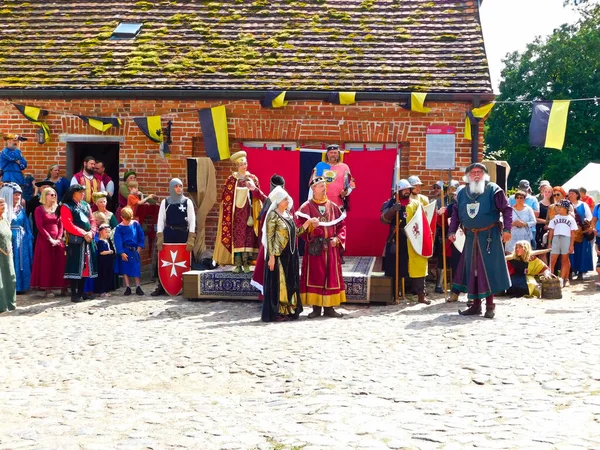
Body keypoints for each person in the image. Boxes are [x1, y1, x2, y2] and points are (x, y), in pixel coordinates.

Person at [447, 163, 512, 319]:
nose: (476, 174)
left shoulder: (493, 190)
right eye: (473, 172)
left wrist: (507, 229)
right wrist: (452, 230)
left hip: (489, 237)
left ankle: (490, 306)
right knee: (473, 271)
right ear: (468, 176)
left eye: (479, 172)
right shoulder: (462, 192)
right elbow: (456, 214)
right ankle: (475, 306)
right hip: (470, 237)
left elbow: (507, 209)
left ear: (485, 175)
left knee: (488, 271)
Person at [296, 176, 346, 318]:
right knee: (315, 276)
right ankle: (316, 308)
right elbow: (299, 226)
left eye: (325, 185)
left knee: (330, 276)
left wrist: (338, 239)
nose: (324, 188)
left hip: (330, 248)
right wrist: (310, 227)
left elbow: (342, 225)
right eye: (320, 186)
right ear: (313, 188)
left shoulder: (333, 206)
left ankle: (329, 308)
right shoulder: (306, 207)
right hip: (315, 249)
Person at [213, 151, 266, 272]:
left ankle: (247, 264)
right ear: (237, 166)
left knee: (248, 237)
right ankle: (237, 264)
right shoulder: (231, 180)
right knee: (237, 238)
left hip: (249, 214)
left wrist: (252, 189)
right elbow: (226, 198)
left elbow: (258, 196)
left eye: (245, 164)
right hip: (236, 214)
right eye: (242, 164)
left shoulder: (252, 178)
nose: (244, 166)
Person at [381, 179, 431, 304]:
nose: (407, 191)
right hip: (397, 239)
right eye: (404, 189)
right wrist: (393, 210)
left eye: (408, 189)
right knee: (395, 267)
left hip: (413, 239)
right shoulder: (390, 203)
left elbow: (422, 221)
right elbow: (383, 220)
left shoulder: (416, 204)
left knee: (418, 265)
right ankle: (395, 295)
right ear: (398, 191)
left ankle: (421, 295)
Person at [261, 186, 304, 322]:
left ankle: (290, 309)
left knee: (291, 283)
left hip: (290, 255)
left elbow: (296, 232)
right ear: (278, 201)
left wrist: (307, 224)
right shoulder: (273, 215)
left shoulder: (289, 215)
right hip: (278, 255)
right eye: (285, 199)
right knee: (281, 284)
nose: (288, 201)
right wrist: (272, 257)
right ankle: (278, 310)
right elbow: (270, 237)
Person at [151, 178, 196, 296]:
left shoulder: (187, 202)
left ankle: (187, 286)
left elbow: (192, 221)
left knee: (186, 260)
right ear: (171, 188)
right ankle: (162, 286)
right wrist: (160, 237)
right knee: (165, 260)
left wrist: (191, 238)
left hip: (183, 234)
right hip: (169, 234)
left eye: (180, 186)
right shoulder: (165, 202)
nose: (178, 188)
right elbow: (160, 220)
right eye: (176, 186)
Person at [60, 184, 98, 303]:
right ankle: (74, 294)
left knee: (85, 267)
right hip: (76, 241)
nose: (83, 194)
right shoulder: (66, 207)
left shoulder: (86, 205)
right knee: (75, 267)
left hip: (88, 240)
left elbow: (92, 220)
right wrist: (83, 233)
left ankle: (82, 292)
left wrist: (91, 232)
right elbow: (68, 225)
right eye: (80, 192)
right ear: (73, 193)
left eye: (83, 192)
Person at [30, 187, 68, 298]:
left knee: (61, 263)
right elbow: (39, 226)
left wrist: (59, 238)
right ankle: (48, 289)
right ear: (45, 196)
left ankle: (63, 287)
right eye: (51, 195)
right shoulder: (39, 209)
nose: (54, 196)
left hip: (58, 239)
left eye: (55, 195)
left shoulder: (58, 209)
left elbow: (61, 225)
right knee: (47, 264)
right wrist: (50, 239)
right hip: (45, 240)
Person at [252, 174, 286, 296]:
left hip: (278, 244)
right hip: (268, 242)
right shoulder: (270, 202)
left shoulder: (284, 203)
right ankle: (267, 298)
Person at [1, 182, 33, 293]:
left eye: (19, 194)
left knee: (22, 262)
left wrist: (29, 237)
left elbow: (26, 224)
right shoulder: (4, 210)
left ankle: (21, 286)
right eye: (15, 194)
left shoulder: (21, 209)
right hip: (10, 239)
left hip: (22, 239)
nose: (18, 197)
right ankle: (10, 286)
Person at [312, 144, 355, 210]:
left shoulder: (344, 167)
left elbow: (350, 185)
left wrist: (346, 192)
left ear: (338, 154)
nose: (333, 155)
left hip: (338, 204)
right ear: (327, 154)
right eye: (331, 153)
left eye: (335, 153)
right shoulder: (320, 166)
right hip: (321, 203)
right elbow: (313, 184)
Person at [114, 207, 145, 296]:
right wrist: (121, 252)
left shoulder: (136, 224)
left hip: (134, 250)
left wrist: (139, 248)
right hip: (125, 250)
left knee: (136, 268)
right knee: (125, 269)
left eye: (128, 220)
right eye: (125, 219)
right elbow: (118, 240)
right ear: (121, 217)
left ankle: (138, 286)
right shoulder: (119, 227)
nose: (127, 222)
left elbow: (141, 236)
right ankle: (128, 287)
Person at [548, 199, 577, 287]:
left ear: (566, 208)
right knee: (553, 259)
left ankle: (565, 279)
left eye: (561, 207)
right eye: (558, 207)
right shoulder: (554, 218)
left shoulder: (571, 219)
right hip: (556, 238)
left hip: (566, 238)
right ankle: (550, 279)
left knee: (565, 259)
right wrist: (549, 242)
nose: (559, 208)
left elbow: (573, 233)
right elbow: (551, 230)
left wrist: (571, 245)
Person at [568, 188, 593, 280]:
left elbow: (589, 217)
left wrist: (586, 223)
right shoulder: (566, 205)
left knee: (581, 252)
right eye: (569, 193)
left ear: (577, 195)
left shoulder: (583, 205)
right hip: (569, 232)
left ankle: (581, 272)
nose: (570, 195)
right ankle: (570, 271)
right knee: (570, 252)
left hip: (581, 231)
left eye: (572, 193)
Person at [509, 180, 539, 248]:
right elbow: (506, 214)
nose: (519, 199)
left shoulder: (533, 200)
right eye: (517, 198)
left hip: (529, 230)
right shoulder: (511, 198)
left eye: (521, 198)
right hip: (513, 232)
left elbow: (536, 215)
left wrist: (524, 222)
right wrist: (514, 223)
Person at [0, 196, 17, 313]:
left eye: (3, 203)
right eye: (0, 203)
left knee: (9, 278)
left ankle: (10, 303)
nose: (3, 205)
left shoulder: (5, 220)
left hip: (8, 254)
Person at [95, 223, 116, 297]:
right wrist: (110, 251)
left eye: (109, 232)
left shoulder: (106, 241)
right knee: (103, 276)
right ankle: (102, 291)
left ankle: (107, 289)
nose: (108, 234)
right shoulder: (100, 242)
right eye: (106, 232)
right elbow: (101, 252)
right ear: (101, 232)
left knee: (107, 275)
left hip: (108, 261)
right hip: (103, 262)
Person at [535, 183, 554, 262]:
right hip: (541, 229)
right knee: (542, 251)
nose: (547, 193)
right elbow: (535, 218)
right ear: (542, 192)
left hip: (553, 230)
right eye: (546, 191)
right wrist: (546, 222)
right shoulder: (538, 204)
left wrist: (549, 224)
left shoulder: (554, 205)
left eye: (549, 192)